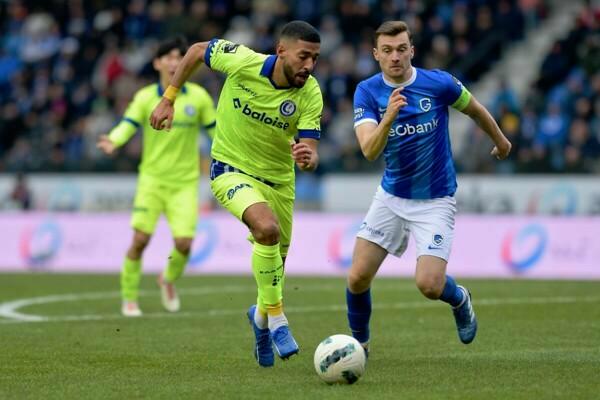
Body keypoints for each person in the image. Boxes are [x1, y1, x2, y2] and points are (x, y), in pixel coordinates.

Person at [150, 21, 323, 367]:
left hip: (279, 182)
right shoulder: (243, 60)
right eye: (304, 56)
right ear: (281, 51)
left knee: (275, 268)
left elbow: (310, 151)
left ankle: (259, 319)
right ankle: (277, 319)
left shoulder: (311, 92)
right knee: (266, 229)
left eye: (315, 59)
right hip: (230, 168)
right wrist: (169, 98)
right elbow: (197, 50)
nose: (309, 66)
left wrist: (308, 158)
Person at [346, 21, 512, 353]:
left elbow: (476, 110)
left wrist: (501, 140)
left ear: (412, 50)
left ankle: (460, 298)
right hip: (391, 196)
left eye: (402, 48)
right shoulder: (367, 91)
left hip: (435, 199)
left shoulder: (438, 83)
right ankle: (359, 345)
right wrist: (389, 117)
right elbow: (368, 150)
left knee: (429, 285)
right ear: (376, 55)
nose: (395, 57)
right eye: (388, 50)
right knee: (357, 277)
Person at [97, 37, 216, 317]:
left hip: (185, 183)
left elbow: (216, 130)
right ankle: (129, 298)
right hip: (152, 180)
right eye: (169, 57)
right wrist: (114, 140)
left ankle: (168, 279)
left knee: (184, 244)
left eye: (179, 57)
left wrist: (237, 152)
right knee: (140, 240)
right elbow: (128, 124)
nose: (175, 62)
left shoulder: (198, 98)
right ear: (157, 63)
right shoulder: (145, 97)